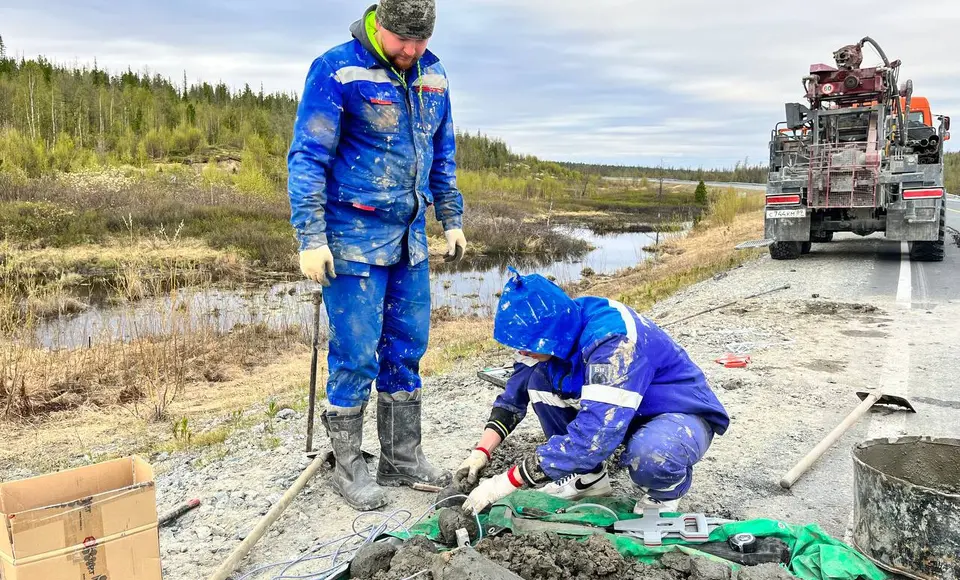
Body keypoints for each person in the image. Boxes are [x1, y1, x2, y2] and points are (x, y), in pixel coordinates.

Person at [287, 0, 465, 511]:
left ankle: (401, 457)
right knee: (357, 352)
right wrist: (311, 237)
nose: (411, 51)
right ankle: (348, 467)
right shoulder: (337, 68)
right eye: (402, 40)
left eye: (421, 41)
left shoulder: (434, 75)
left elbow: (442, 151)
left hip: (410, 237)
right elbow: (308, 156)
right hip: (351, 237)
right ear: (379, 24)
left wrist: (450, 218)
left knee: (408, 346)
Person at [457, 270, 730, 515]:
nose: (522, 353)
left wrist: (503, 484)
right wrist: (480, 452)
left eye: (527, 346)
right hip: (621, 410)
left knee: (650, 455)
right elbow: (512, 398)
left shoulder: (613, 342)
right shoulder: (551, 336)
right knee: (538, 382)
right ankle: (588, 478)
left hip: (675, 412)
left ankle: (665, 493)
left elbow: (595, 436)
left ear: (551, 335)